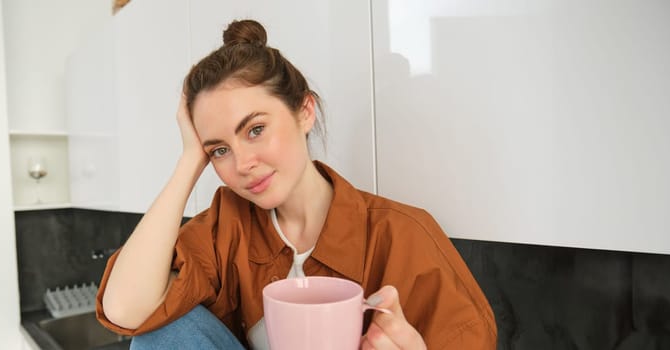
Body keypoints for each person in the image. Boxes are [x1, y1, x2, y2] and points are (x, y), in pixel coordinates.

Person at [96, 19, 497, 349]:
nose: (243, 164)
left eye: (255, 130)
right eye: (219, 150)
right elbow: (127, 310)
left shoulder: (403, 235)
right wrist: (189, 159)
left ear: (305, 112)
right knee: (161, 330)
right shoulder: (227, 225)